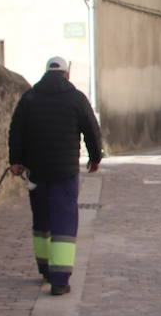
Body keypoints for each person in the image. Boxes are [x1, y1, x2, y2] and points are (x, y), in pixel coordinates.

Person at [8, 56, 103, 295]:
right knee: (63, 222)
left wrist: (16, 161)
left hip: (36, 171)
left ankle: (45, 269)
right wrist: (95, 158)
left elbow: (16, 131)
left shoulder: (29, 98)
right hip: (65, 172)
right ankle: (60, 280)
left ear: (46, 72)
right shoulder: (76, 98)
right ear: (66, 74)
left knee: (41, 220)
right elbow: (92, 130)